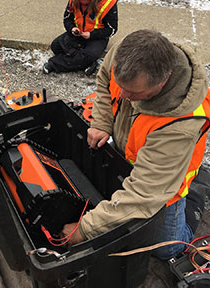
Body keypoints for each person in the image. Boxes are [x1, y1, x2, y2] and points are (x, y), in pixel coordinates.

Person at [61, 29, 210, 260]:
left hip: (166, 180)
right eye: (122, 86)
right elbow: (103, 82)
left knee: (166, 249)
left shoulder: (179, 124)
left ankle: (197, 188)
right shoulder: (126, 52)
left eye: (133, 92)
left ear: (163, 81)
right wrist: (101, 121)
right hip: (137, 158)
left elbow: (144, 194)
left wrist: (84, 230)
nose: (123, 94)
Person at [43, 0, 118, 76]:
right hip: (78, 34)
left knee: (88, 55)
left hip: (97, 37)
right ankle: (86, 63)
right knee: (56, 46)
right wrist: (72, 29)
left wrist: (91, 35)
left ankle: (54, 64)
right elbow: (67, 19)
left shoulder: (108, 2)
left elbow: (112, 29)